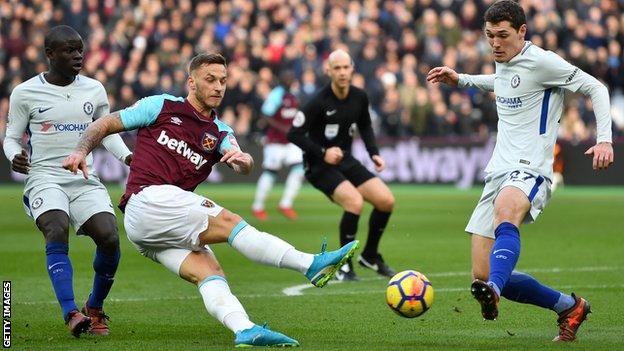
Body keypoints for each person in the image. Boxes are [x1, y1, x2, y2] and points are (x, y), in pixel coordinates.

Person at [63, 53, 358, 347]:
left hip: (151, 228)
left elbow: (242, 158)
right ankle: (310, 264)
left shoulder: (220, 132)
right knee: (230, 223)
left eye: (223, 80)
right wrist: (80, 151)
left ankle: (245, 329)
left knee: (209, 271)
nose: (219, 86)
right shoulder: (161, 106)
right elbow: (102, 125)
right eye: (211, 79)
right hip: (148, 199)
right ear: (191, 82)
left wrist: (243, 161)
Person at [426, 0, 614, 342]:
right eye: (489, 36)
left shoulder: (543, 62)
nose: (495, 43)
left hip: (530, 169)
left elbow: (596, 88)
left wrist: (605, 140)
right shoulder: (505, 61)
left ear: (522, 31)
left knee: (505, 214)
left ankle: (494, 291)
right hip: (497, 171)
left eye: (502, 35)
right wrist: (463, 79)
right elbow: (506, 81)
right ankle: (568, 307)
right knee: (481, 275)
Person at [3, 25, 132, 337]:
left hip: (83, 178)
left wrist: (129, 158)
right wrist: (15, 156)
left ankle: (95, 306)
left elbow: (106, 133)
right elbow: (10, 138)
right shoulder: (25, 93)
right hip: (44, 177)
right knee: (56, 227)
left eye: (80, 49)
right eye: (69, 50)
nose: (78, 56)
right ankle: (70, 312)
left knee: (110, 237)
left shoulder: (94, 89)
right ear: (49, 54)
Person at [287, 49, 396, 281]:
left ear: (352, 69)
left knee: (386, 201)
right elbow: (293, 133)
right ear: (328, 71)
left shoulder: (359, 96)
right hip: (318, 165)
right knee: (354, 202)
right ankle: (344, 266)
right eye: (337, 68)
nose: (342, 72)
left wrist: (374, 153)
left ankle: (370, 256)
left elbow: (365, 125)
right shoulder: (318, 101)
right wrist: (323, 152)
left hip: (345, 160)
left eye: (346, 67)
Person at [251, 70, 304, 221]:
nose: (291, 80)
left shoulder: (294, 94)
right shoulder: (277, 94)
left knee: (300, 168)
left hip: (290, 141)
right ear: (283, 81)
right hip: (275, 142)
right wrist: (283, 128)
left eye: (292, 78)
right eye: (289, 78)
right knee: (270, 172)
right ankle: (258, 206)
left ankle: (285, 204)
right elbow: (266, 115)